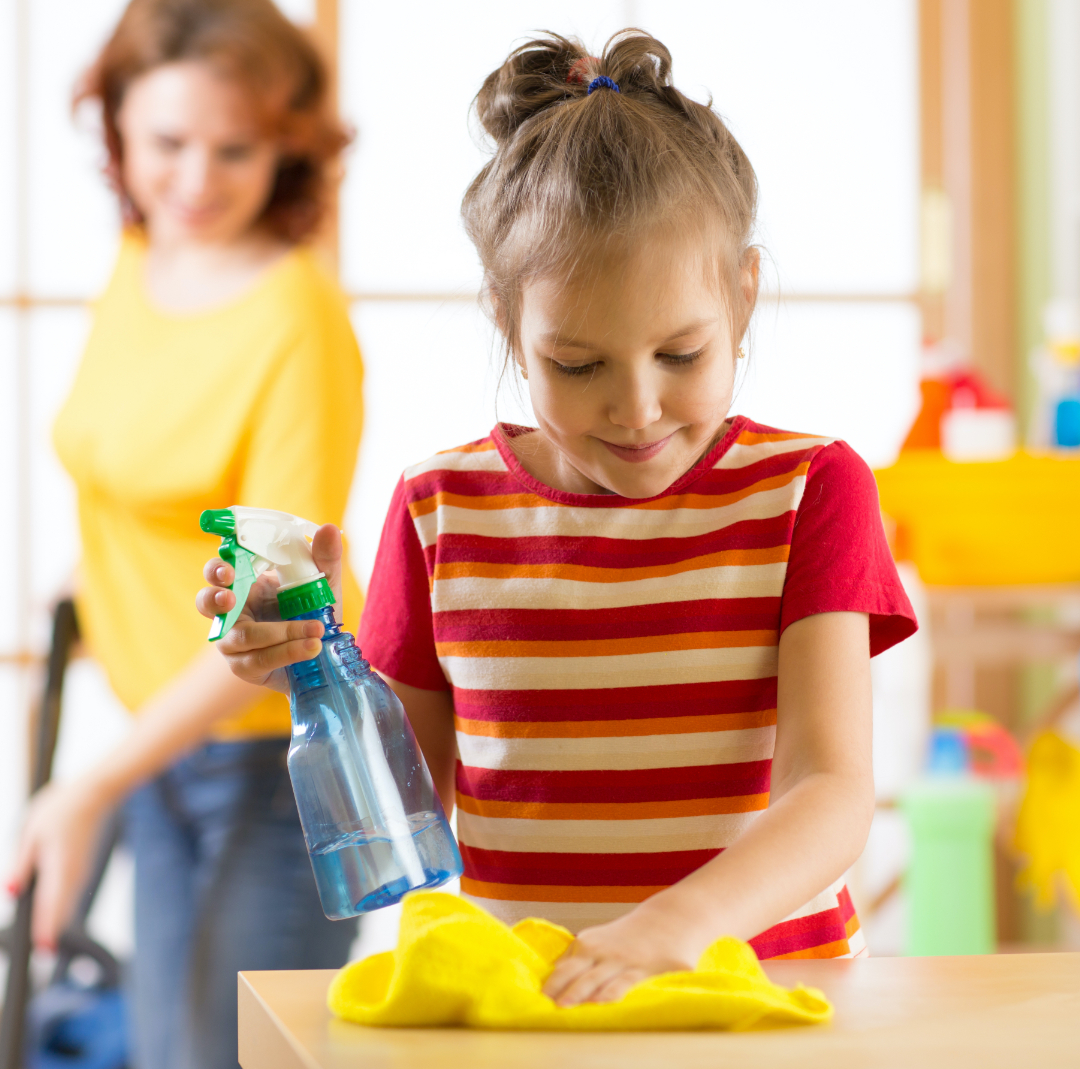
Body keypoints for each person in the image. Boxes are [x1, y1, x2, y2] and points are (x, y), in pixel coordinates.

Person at [197, 30, 917, 1008]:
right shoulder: (439, 511)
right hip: (529, 1003)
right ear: (507, 322)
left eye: (681, 354)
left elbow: (830, 792)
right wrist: (310, 663)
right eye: (578, 365)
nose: (636, 408)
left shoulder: (809, 490)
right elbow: (402, 813)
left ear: (744, 299)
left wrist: (673, 926)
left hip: (761, 994)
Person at [6, 1, 364, 1066]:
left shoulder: (299, 326)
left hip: (272, 766)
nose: (196, 180)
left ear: (289, 147)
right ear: (115, 127)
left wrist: (92, 785)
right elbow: (133, 467)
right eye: (167, 143)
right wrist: (98, 576)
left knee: (217, 1055)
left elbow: (272, 628)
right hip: (155, 740)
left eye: (235, 148)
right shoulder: (141, 257)